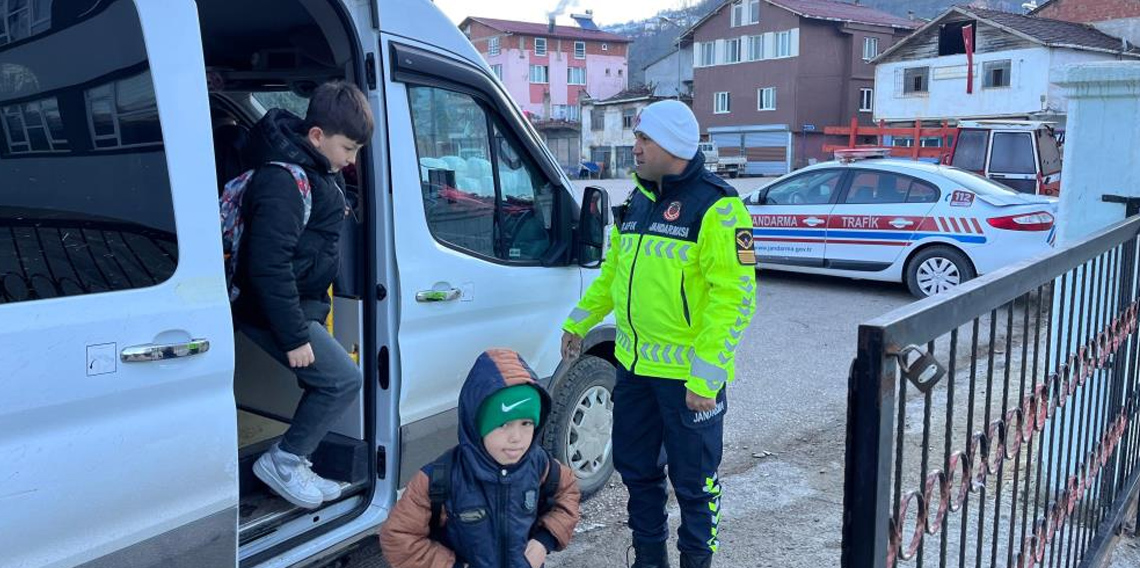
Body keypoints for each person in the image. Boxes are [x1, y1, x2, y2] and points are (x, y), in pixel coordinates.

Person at [560, 100, 757, 568]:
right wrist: (578, 321)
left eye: (644, 139)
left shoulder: (718, 207)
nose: (636, 148)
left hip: (688, 382)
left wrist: (706, 378)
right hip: (634, 371)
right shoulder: (636, 203)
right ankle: (649, 560)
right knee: (638, 472)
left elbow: (735, 300)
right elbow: (613, 275)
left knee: (695, 484)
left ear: (672, 145)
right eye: (638, 138)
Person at [234, 81, 373, 509]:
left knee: (333, 380)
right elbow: (267, 268)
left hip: (297, 305)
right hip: (273, 310)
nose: (351, 160)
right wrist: (294, 337)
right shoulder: (284, 181)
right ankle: (285, 461)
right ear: (316, 136)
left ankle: (297, 459)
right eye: (348, 148)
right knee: (341, 381)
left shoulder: (317, 171)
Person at [379, 349, 581, 568]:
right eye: (503, 425)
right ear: (477, 426)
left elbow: (567, 494)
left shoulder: (540, 464)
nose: (517, 438)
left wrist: (544, 541)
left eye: (526, 423)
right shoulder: (440, 478)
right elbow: (398, 537)